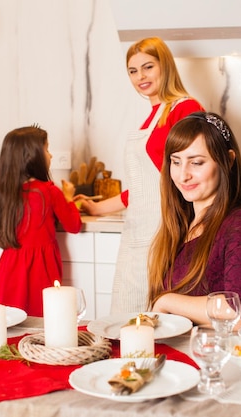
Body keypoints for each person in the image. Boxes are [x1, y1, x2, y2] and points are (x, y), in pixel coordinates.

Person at [79, 37, 204, 313]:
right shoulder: (151, 116)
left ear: (165, 66)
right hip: (137, 232)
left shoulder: (185, 109)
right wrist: (97, 207)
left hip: (166, 229)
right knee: (127, 314)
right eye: (133, 71)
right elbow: (144, 187)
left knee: (157, 318)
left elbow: (197, 175)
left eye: (148, 67)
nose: (140, 77)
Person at [148, 112, 241, 330]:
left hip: (213, 358)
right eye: (175, 162)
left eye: (196, 163)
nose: (183, 175)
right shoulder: (181, 225)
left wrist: (167, 301)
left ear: (228, 160)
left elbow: (239, 312)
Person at [0, 126, 82, 317]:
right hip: (41, 269)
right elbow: (73, 225)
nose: (51, 155)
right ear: (32, 157)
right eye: (47, 149)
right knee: (42, 323)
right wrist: (69, 197)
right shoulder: (49, 191)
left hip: (10, 268)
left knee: (10, 322)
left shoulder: (4, 192)